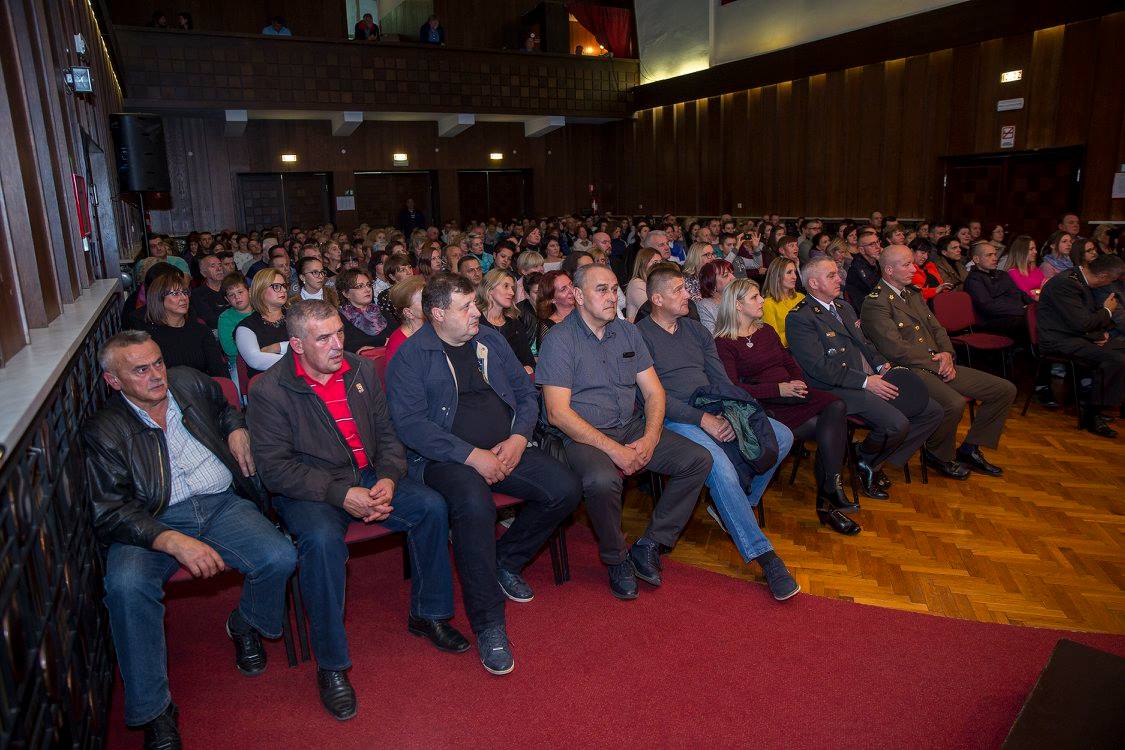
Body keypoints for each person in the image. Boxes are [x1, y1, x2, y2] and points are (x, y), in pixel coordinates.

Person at [248, 301, 465, 720]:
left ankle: (429, 615)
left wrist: (389, 477)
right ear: (297, 344)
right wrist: (341, 494)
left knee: (431, 507)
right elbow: (275, 470)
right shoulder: (269, 390)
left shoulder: (360, 370)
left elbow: (388, 435)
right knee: (321, 542)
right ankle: (332, 665)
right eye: (323, 338)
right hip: (311, 489)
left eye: (340, 333)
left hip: (367, 475)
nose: (337, 345)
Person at [85, 331, 296, 748]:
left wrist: (237, 428)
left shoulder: (188, 382)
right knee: (126, 588)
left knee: (280, 556)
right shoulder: (105, 430)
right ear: (114, 381)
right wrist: (170, 540)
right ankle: (155, 711)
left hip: (220, 503)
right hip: (151, 520)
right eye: (140, 370)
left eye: (157, 363)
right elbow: (110, 511)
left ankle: (244, 623)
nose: (155, 375)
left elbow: (226, 408)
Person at [386, 274, 580, 674]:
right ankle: (489, 624)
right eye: (466, 307)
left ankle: (503, 560)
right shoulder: (412, 355)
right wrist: (472, 456)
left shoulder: (489, 339)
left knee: (565, 487)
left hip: (505, 447)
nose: (477, 312)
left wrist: (518, 438)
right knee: (475, 508)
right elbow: (411, 426)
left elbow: (526, 394)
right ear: (438, 314)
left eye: (475, 303)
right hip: (445, 460)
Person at [536, 264, 712, 600]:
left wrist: (650, 437)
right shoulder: (559, 340)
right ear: (578, 296)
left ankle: (651, 543)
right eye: (601, 289)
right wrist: (616, 451)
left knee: (698, 459)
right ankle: (616, 558)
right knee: (602, 480)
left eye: (614, 288)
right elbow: (558, 413)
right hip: (583, 434)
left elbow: (654, 393)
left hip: (630, 425)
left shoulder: (627, 332)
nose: (612, 297)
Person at [637, 267, 799, 599]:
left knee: (781, 436)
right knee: (720, 468)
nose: (689, 294)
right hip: (672, 418)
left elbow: (721, 379)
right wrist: (703, 419)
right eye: (679, 290)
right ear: (657, 299)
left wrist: (731, 411)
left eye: (686, 288)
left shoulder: (696, 330)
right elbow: (652, 398)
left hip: (712, 406)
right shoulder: (639, 336)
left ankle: (736, 504)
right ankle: (766, 558)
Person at [786, 258, 944, 499]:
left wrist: (882, 365)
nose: (839, 278)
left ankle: (867, 458)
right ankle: (869, 461)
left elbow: (866, 344)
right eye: (831, 275)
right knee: (896, 424)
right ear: (814, 283)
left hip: (867, 378)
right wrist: (866, 382)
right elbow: (819, 368)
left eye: (837, 273)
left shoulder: (844, 307)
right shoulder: (800, 317)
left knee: (931, 411)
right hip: (833, 388)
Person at [715, 279, 857, 535]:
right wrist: (778, 389)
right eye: (755, 297)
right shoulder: (724, 343)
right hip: (766, 403)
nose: (762, 300)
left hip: (791, 393)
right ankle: (827, 499)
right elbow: (734, 389)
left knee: (836, 406)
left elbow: (789, 362)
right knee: (827, 427)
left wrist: (798, 381)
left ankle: (830, 488)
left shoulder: (766, 331)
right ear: (737, 305)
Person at [860, 246, 1016, 477]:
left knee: (1003, 390)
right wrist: (938, 363)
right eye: (907, 265)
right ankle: (938, 455)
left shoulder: (912, 294)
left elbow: (937, 328)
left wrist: (947, 355)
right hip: (910, 371)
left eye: (913, 263)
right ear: (889, 270)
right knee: (953, 403)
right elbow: (895, 349)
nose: (914, 269)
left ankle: (970, 449)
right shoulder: (876, 302)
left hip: (937, 364)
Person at [1037, 253, 1125, 438]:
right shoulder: (1066, 284)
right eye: (1112, 280)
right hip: (1058, 339)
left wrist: (1099, 335)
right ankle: (1093, 414)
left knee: (1119, 352)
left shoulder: (1081, 279)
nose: (1112, 284)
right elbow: (1082, 323)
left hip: (1077, 336)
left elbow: (1083, 319)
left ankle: (1102, 402)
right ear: (1104, 277)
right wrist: (1108, 310)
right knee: (1115, 360)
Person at [143, 272, 227, 377]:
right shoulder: (149, 338)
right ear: (159, 298)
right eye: (175, 294)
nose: (184, 298)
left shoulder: (201, 331)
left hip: (203, 385)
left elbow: (220, 373)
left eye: (185, 292)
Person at [963, 242, 1032, 339]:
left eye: (995, 254)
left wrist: (1035, 307)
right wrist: (1022, 310)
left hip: (1015, 314)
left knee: (1043, 315)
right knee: (1028, 322)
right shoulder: (973, 280)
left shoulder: (1002, 274)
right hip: (993, 321)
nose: (995, 258)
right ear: (976, 259)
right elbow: (988, 307)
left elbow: (1019, 293)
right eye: (989, 255)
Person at [235, 269, 290, 378]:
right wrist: (301, 361)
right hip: (267, 382)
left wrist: (278, 347)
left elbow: (311, 345)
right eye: (276, 286)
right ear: (261, 290)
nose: (283, 290)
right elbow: (256, 360)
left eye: (284, 286)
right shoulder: (246, 327)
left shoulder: (297, 316)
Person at [477, 269, 535, 372]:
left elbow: (529, 361)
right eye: (506, 286)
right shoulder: (476, 323)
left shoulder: (515, 323)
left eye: (512, 288)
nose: (512, 292)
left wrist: (527, 369)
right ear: (489, 289)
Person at [336, 268, 389, 353]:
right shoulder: (339, 319)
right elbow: (347, 346)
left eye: (368, 285)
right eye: (360, 286)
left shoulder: (382, 311)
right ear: (346, 293)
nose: (367, 289)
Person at [760, 258, 804, 347]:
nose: (795, 277)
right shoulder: (767, 304)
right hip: (788, 351)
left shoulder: (801, 297)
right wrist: (800, 332)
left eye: (795, 272)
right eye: (789, 272)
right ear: (777, 276)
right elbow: (775, 340)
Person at [384, 276, 427, 361]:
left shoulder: (434, 326)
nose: (431, 302)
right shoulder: (398, 344)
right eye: (423, 300)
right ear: (409, 313)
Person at [218, 273, 253, 372]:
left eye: (240, 292)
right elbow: (229, 349)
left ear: (249, 291)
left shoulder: (260, 309)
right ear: (227, 299)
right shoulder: (225, 318)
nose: (237, 297)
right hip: (239, 363)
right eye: (231, 295)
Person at [843, 227, 882, 310]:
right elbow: (876, 288)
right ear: (862, 250)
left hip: (877, 302)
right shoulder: (858, 266)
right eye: (872, 244)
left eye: (878, 242)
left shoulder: (877, 261)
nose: (878, 247)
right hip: (864, 308)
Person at [535, 270, 576, 346]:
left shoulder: (587, 313)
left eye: (571, 284)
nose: (571, 290)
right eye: (563, 289)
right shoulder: (548, 327)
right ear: (552, 299)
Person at [190, 254, 230, 330]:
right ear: (204, 273)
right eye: (213, 266)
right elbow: (211, 320)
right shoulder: (198, 294)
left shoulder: (230, 287)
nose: (219, 269)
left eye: (220, 265)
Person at [1001, 235, 1045, 300]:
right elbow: (1027, 296)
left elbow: (1047, 287)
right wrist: (1040, 291)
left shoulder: (1034, 269)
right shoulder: (1013, 272)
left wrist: (1035, 291)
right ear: (1021, 252)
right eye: (1031, 249)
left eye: (1035, 249)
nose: (1035, 252)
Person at [696, 259, 735, 333]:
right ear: (711, 282)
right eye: (725, 275)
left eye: (732, 273)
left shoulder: (739, 297)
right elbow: (712, 336)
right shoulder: (705, 306)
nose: (733, 278)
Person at [626, 248, 662, 322]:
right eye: (655, 262)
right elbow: (652, 310)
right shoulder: (636, 283)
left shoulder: (654, 283)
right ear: (643, 264)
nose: (660, 266)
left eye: (661, 263)